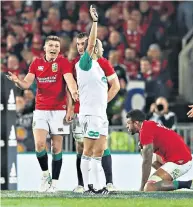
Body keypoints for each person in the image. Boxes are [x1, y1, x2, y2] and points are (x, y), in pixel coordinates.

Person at [6, 35, 78, 193]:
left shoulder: (63, 62)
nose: (54, 49)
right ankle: (46, 175)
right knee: (39, 145)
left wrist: (73, 92)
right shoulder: (36, 63)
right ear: (45, 48)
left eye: (56, 47)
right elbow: (26, 84)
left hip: (59, 110)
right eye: (51, 46)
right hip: (40, 110)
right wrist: (17, 80)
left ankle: (56, 183)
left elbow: (70, 80)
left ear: (59, 50)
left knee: (57, 147)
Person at [76, 6, 120, 194]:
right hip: (90, 113)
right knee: (89, 150)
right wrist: (95, 22)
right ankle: (90, 187)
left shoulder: (99, 66)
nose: (94, 46)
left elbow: (113, 87)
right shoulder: (84, 64)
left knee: (100, 150)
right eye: (92, 45)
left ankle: (97, 185)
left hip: (100, 113)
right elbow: (92, 40)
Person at [126, 109, 193, 192]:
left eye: (128, 123)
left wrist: (142, 187)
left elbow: (147, 161)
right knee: (143, 152)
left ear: (136, 123)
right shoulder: (148, 125)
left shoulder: (145, 131)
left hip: (180, 161)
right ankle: (166, 183)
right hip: (178, 157)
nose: (126, 126)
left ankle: (189, 184)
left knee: (149, 187)